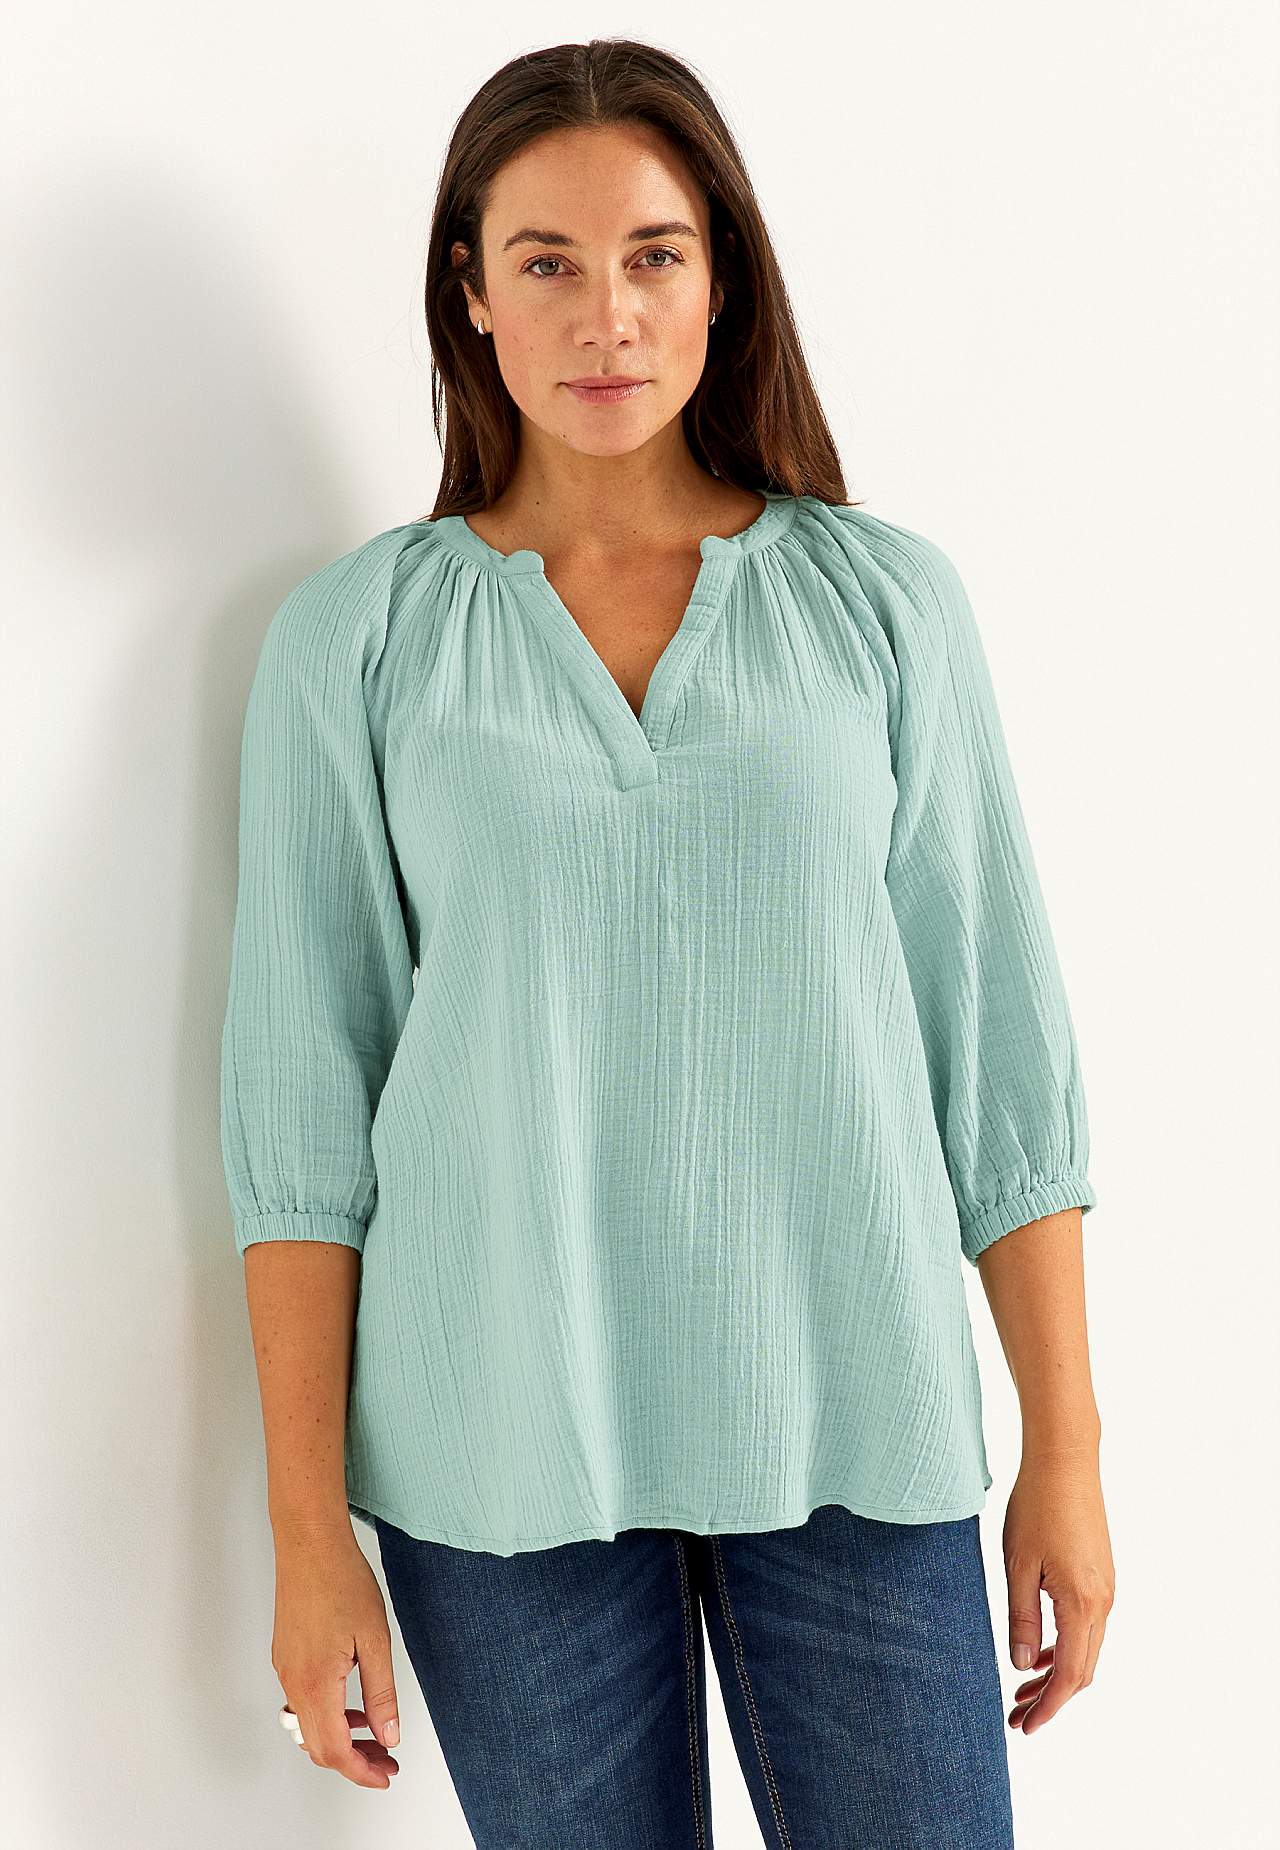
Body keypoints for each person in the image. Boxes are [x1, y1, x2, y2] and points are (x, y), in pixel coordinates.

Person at [219, 36, 1115, 1848]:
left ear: (723, 282)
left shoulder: (883, 604)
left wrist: (1068, 1453)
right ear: (472, 295)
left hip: (860, 1427)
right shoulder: (360, 642)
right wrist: (309, 1538)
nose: (606, 314)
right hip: (497, 1457)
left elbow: (999, 1056)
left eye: (652, 254)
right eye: (546, 260)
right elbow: (303, 1123)